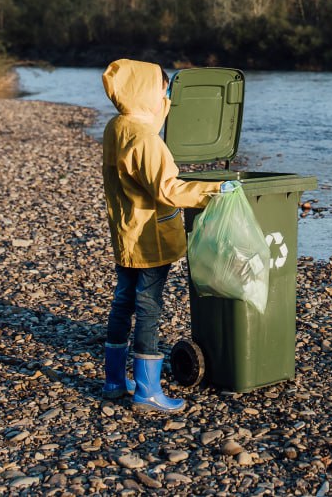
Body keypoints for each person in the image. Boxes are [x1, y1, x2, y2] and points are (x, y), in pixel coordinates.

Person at [99, 59, 235, 412]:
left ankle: (114, 380)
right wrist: (216, 190)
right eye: (164, 88)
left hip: (125, 231)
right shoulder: (146, 140)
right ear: (146, 92)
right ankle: (147, 391)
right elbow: (169, 190)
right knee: (149, 308)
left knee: (123, 302)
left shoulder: (118, 126)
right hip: (149, 238)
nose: (168, 95)